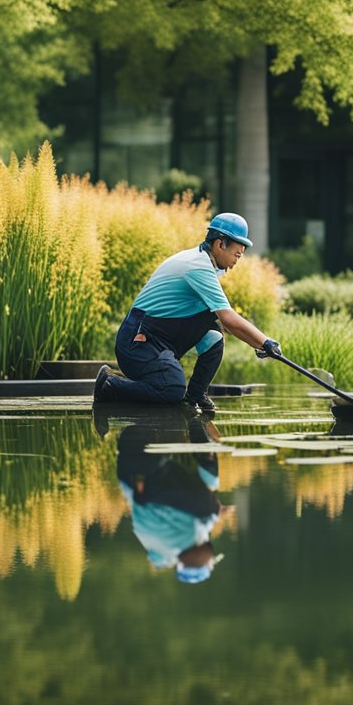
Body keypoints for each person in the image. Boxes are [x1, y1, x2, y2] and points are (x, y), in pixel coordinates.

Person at [94, 212, 282, 414]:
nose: (238, 260)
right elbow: (229, 318)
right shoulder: (197, 266)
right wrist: (265, 342)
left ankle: (195, 396)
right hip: (137, 342)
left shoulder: (202, 262)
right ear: (220, 244)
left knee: (214, 335)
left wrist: (259, 344)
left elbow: (223, 322)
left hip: (159, 337)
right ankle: (109, 385)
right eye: (237, 254)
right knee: (172, 388)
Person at [115, 413, 231, 585]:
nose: (212, 560)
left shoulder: (192, 536)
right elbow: (157, 560)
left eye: (209, 563)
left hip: (148, 470)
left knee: (210, 490)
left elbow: (209, 512)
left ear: (197, 562)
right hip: (129, 466)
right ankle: (191, 425)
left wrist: (218, 512)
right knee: (205, 500)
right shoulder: (164, 553)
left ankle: (197, 423)